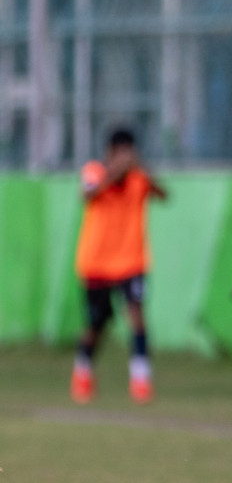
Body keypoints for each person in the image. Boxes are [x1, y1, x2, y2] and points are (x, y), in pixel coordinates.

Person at [71, 128, 167, 405]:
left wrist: (143, 169)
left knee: (137, 316)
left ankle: (140, 377)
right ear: (110, 153)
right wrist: (114, 171)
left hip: (131, 261)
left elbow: (163, 194)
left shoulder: (139, 178)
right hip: (97, 262)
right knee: (95, 323)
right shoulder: (95, 171)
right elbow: (87, 194)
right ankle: (83, 370)